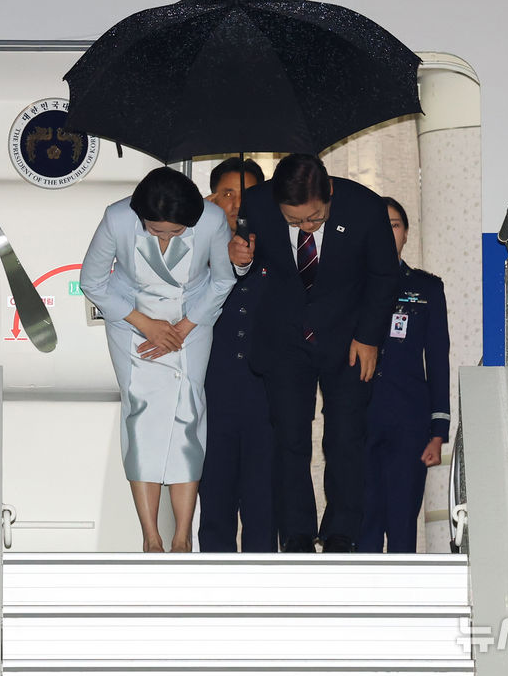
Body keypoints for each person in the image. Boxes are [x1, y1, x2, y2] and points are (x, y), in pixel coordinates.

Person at [229, 153, 399, 553]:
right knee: (289, 436)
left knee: (345, 436)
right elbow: (250, 268)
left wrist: (369, 337)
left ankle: (341, 532)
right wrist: (240, 260)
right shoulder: (257, 204)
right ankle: (296, 534)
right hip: (285, 338)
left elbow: (384, 276)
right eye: (294, 222)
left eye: (315, 218)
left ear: (330, 192)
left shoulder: (366, 207)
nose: (306, 227)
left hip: (349, 337)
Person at [80, 167, 236, 553]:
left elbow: (222, 280)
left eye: (176, 232)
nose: (165, 239)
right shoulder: (117, 218)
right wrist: (145, 324)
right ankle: (150, 537)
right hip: (132, 320)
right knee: (140, 414)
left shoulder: (212, 219)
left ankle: (182, 537)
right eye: (155, 231)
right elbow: (92, 281)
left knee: (188, 415)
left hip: (191, 321)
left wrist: (182, 329)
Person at [358, 197, 451, 553]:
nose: (387, 233)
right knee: (363, 522)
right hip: (359, 418)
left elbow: (437, 360)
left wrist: (438, 431)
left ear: (407, 233)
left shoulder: (426, 288)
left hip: (408, 422)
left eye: (394, 225)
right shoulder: (349, 285)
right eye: (380, 226)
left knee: (401, 524)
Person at [198, 157, 277, 552]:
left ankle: (266, 587)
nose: (236, 203)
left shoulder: (279, 251)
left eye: (245, 194)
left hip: (267, 395)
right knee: (215, 500)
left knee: (264, 503)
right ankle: (214, 585)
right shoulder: (194, 252)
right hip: (212, 392)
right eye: (226, 193)